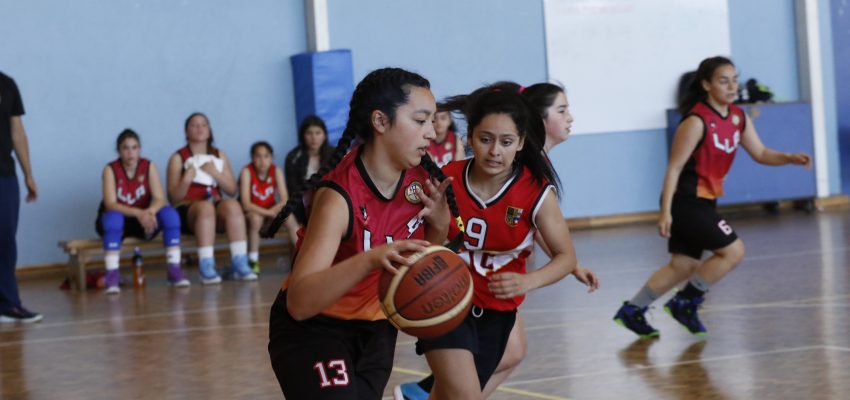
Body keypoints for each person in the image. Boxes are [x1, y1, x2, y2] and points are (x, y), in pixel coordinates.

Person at [396, 82, 599, 400]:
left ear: (520, 143)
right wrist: (435, 229)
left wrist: (528, 281)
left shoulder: (537, 193)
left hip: (496, 313)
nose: (494, 151)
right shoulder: (444, 178)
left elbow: (565, 256)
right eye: (486, 139)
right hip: (444, 300)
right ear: (470, 137)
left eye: (506, 142)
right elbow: (422, 245)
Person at [266, 67, 458, 399]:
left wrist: (439, 227)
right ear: (381, 122)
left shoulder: (421, 184)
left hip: (376, 330)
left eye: (432, 122)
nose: (431, 133)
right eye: (420, 120)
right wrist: (370, 260)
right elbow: (299, 303)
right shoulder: (337, 196)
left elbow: (417, 266)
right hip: (315, 330)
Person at [613, 56, 811, 338]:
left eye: (734, 80)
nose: (731, 86)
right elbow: (674, 168)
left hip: (705, 200)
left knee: (683, 265)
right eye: (723, 80)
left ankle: (632, 311)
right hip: (686, 200)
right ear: (706, 85)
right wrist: (665, 212)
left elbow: (761, 153)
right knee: (733, 251)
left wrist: (788, 157)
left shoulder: (738, 117)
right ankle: (685, 303)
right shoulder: (695, 121)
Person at [166, 112, 257, 284]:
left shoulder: (218, 155)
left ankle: (240, 261)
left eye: (203, 124)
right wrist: (186, 178)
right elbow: (173, 198)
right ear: (186, 131)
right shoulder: (178, 158)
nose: (199, 128)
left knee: (233, 206)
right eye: (194, 125)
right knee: (205, 208)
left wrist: (215, 173)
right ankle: (206, 265)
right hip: (189, 211)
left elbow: (231, 190)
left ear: (209, 130)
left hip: (214, 206)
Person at [96, 129, 189, 293]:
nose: (130, 152)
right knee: (113, 219)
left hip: (145, 220)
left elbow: (160, 198)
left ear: (140, 149)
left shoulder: (148, 166)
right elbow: (110, 204)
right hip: (121, 220)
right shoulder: (110, 169)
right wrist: (139, 213)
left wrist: (150, 212)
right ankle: (112, 277)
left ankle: (174, 270)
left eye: (134, 147)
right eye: (125, 148)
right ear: (119, 151)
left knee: (170, 215)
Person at [0, 71, 41, 323]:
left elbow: (17, 132)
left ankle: (8, 304)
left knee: (5, 240)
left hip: (4, 175)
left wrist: (28, 175)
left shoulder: (7, 85)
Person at [238, 141, 297, 273]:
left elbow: (284, 199)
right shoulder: (246, 171)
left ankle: (303, 254)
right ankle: (253, 261)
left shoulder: (276, 171)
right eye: (258, 156)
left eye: (266, 156)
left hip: (270, 210)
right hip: (253, 211)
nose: (262, 160)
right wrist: (268, 213)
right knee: (256, 219)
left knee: (289, 217)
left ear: (271, 157)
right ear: (252, 158)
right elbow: (246, 204)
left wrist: (272, 211)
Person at [284, 115, 333, 226]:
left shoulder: (335, 154)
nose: (314, 138)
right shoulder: (293, 157)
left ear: (324, 135)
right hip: (302, 206)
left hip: (330, 202)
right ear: (303, 136)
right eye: (309, 133)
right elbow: (293, 189)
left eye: (318, 133)